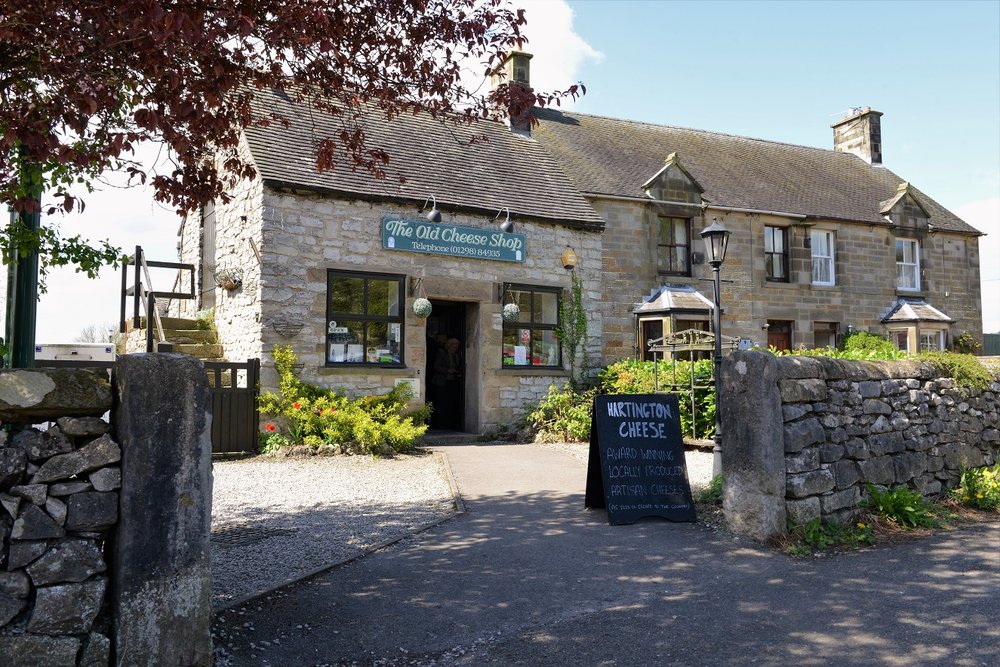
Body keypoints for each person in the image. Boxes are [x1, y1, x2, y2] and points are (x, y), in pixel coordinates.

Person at [431, 337, 462, 429]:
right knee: (442, 402)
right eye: (453, 345)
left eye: (457, 345)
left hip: (453, 381)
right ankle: (440, 423)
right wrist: (447, 370)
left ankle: (451, 422)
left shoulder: (457, 354)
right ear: (449, 345)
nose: (455, 347)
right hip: (442, 382)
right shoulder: (442, 353)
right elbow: (436, 366)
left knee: (452, 402)